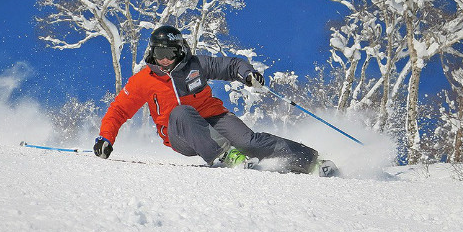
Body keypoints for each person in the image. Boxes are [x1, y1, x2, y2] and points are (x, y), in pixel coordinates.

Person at [94, 25, 334, 175]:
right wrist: (106, 137)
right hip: (181, 133)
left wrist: (247, 74)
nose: (164, 60)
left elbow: (230, 65)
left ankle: (311, 161)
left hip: (214, 116)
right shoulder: (143, 80)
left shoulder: (196, 65)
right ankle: (226, 156)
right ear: (151, 53)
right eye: (159, 54)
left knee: (249, 140)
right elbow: (119, 110)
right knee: (181, 112)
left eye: (169, 54)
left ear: (179, 51)